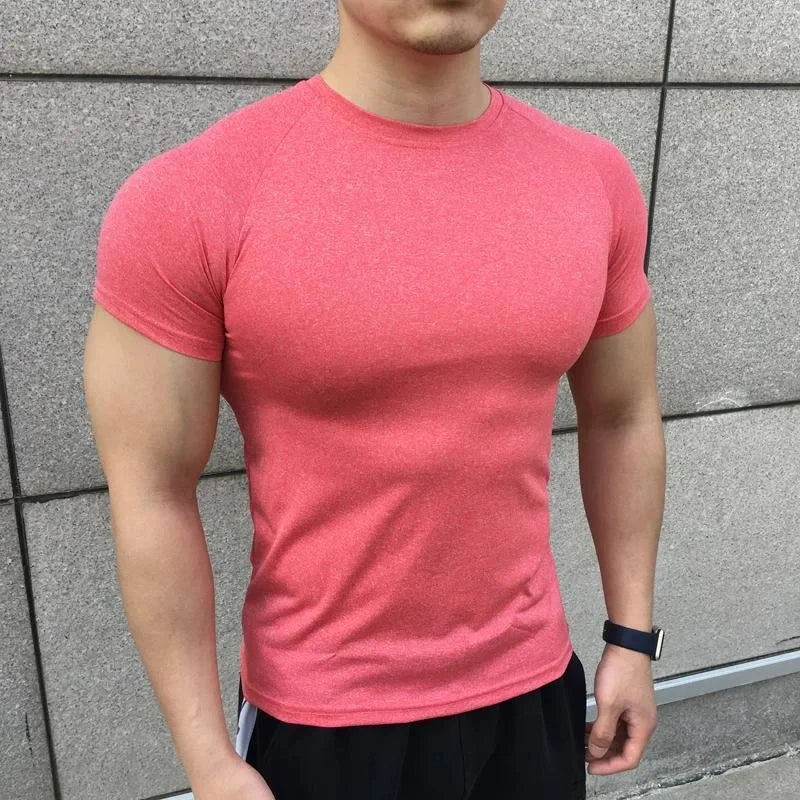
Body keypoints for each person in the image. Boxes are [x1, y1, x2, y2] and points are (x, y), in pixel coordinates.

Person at [83, 1, 666, 798]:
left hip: (533, 693)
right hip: (323, 723)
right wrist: (208, 761)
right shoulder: (192, 198)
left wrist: (632, 637)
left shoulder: (590, 179)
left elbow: (622, 417)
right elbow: (151, 492)